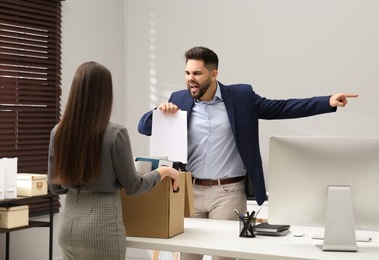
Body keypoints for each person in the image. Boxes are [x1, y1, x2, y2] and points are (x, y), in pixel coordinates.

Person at [138, 46, 358, 260]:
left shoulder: (241, 96)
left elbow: (281, 108)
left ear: (213, 74)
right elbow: (144, 128)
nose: (190, 78)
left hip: (228, 192)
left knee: (223, 256)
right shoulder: (179, 99)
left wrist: (327, 102)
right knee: (188, 256)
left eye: (197, 73)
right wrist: (159, 112)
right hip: (190, 191)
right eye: (187, 73)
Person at [47, 61, 180, 260]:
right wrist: (164, 172)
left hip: (68, 229)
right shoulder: (115, 133)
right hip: (102, 229)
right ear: (105, 94)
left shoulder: (58, 132)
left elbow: (56, 187)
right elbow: (134, 186)